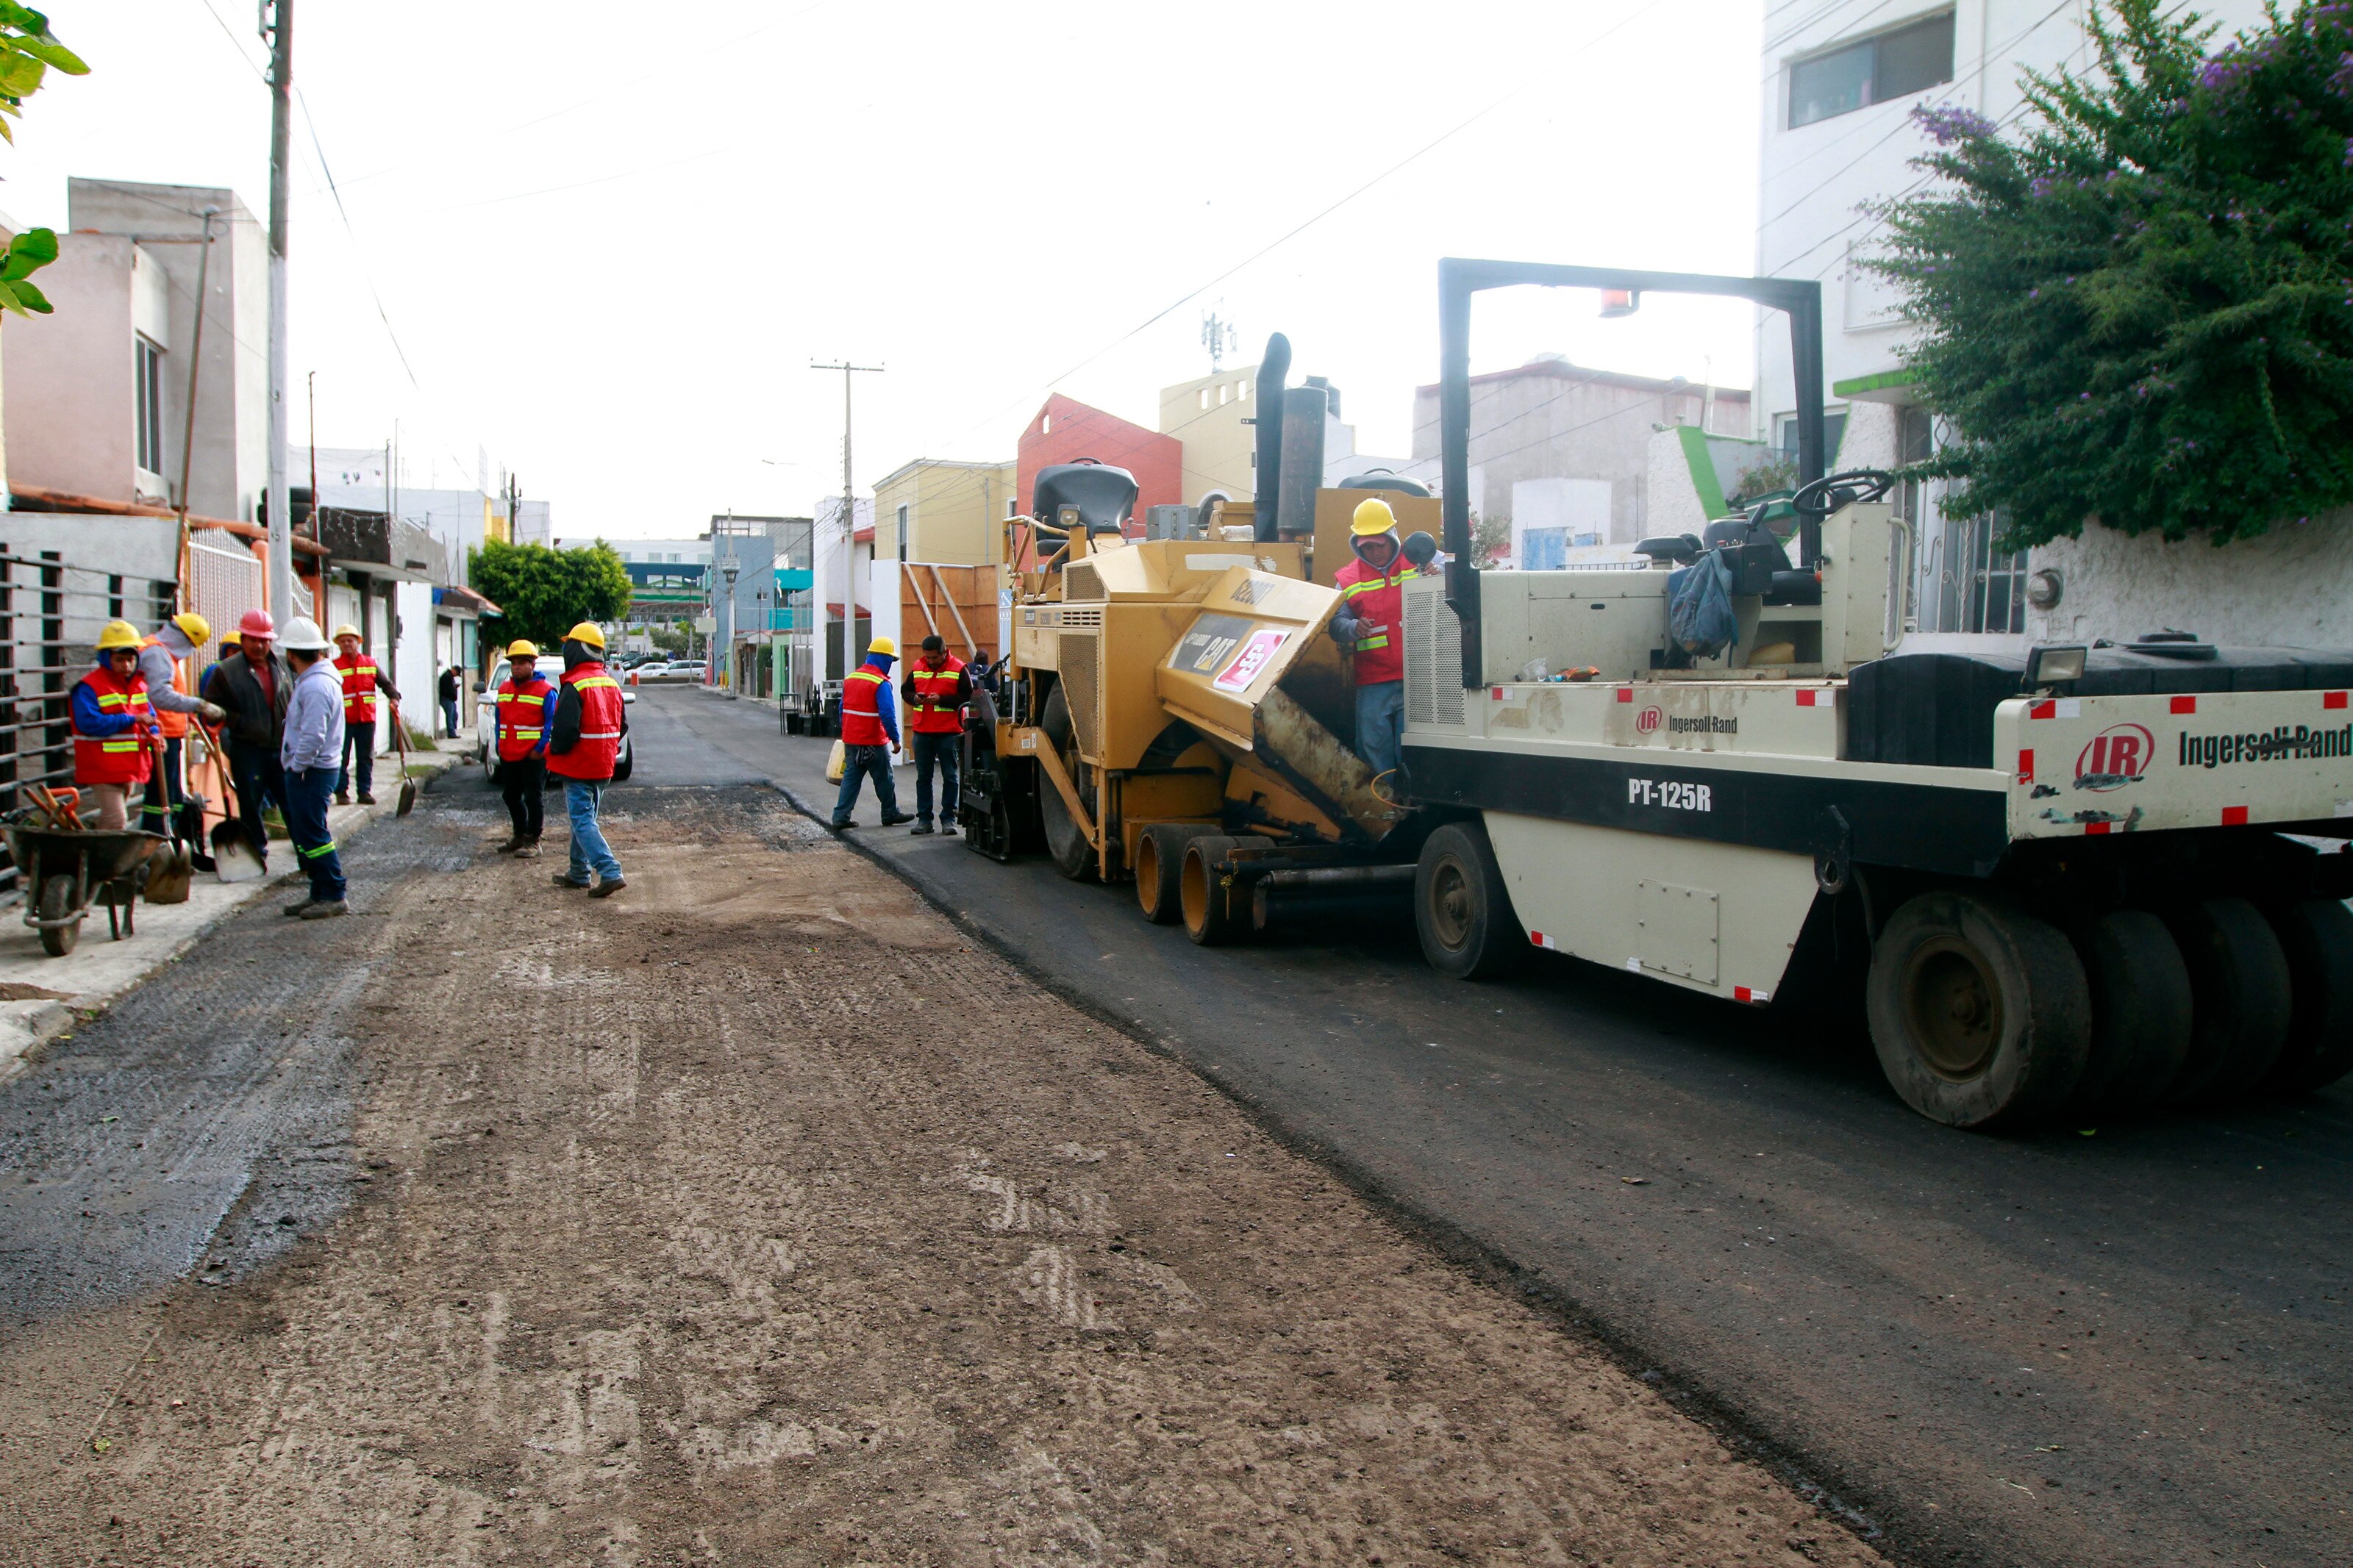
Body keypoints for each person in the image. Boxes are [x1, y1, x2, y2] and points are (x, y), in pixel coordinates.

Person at [1329, 497, 1423, 781]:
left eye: (1379, 544)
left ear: (1392, 536)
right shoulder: (1347, 579)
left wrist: (1439, 573)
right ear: (1357, 544)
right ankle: (1383, 803)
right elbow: (1334, 624)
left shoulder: (1421, 560)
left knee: (1415, 751)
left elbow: (1458, 580)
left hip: (1418, 676)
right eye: (1367, 546)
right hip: (1374, 681)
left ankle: (1414, 802)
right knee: (1373, 751)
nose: (1374, 552)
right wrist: (1353, 627)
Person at [133, 612, 229, 864]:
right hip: (159, 737)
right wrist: (198, 705)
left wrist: (190, 714)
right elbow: (160, 695)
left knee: (173, 797)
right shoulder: (156, 653)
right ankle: (153, 850)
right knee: (160, 798)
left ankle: (171, 846)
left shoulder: (164, 653)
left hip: (169, 735)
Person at [200, 609, 293, 870]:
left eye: (264, 640)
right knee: (250, 804)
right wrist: (235, 720)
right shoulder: (226, 671)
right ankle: (257, 852)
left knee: (290, 801)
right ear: (242, 639)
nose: (259, 645)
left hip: (282, 747)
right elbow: (211, 708)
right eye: (253, 639)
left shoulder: (285, 666)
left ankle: (306, 852)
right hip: (247, 748)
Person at [546, 621, 628, 896]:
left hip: (579, 766)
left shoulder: (574, 685)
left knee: (582, 820)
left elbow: (565, 732)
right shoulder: (610, 683)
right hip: (603, 766)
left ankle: (610, 871)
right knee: (584, 821)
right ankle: (579, 873)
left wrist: (554, 751)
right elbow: (622, 726)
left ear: (575, 650)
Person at [275, 617, 349, 919]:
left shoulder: (316, 686)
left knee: (314, 834)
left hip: (312, 771)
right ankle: (319, 891)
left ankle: (333, 893)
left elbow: (313, 735)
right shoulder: (315, 681)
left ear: (292, 654)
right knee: (307, 833)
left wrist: (297, 766)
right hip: (313, 769)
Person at [71, 620, 160, 829]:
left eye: (130, 660)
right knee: (116, 821)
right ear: (106, 658)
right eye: (120, 660)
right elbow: (89, 723)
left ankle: (96, 849)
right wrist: (131, 719)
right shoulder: (89, 687)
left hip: (128, 767)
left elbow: (150, 716)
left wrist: (155, 734)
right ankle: (106, 852)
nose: (126, 666)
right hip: (102, 767)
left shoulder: (139, 685)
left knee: (111, 822)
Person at [832, 637, 913, 831]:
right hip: (872, 740)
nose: (891, 664)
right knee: (884, 778)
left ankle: (840, 816)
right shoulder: (880, 682)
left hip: (852, 739)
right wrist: (895, 739)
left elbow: (842, 708)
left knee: (851, 777)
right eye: (891, 660)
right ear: (884, 658)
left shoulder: (851, 679)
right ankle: (890, 812)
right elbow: (887, 713)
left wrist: (847, 731)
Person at [900, 634, 971, 836]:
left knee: (950, 776)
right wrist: (915, 698)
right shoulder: (918, 667)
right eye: (927, 657)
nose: (930, 661)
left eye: (934, 658)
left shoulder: (959, 669)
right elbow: (906, 690)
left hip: (948, 732)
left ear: (944, 652)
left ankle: (949, 819)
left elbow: (968, 697)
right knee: (924, 777)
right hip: (922, 732)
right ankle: (925, 820)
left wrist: (942, 700)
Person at [493, 639, 554, 857]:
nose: (516, 667)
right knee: (510, 796)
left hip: (533, 756)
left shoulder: (546, 691)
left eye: (521, 663)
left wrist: (540, 748)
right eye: (514, 663)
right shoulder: (504, 689)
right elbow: (499, 720)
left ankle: (533, 840)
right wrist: (499, 744)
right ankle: (519, 834)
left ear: (532, 665)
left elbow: (551, 724)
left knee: (533, 798)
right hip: (509, 754)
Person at [332, 624, 401, 806]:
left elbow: (386, 684)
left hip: (366, 718)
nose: (347, 644)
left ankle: (364, 792)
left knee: (365, 757)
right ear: (338, 644)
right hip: (343, 720)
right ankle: (341, 793)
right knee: (341, 757)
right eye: (343, 641)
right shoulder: (334, 666)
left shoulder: (370, 664)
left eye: (350, 640)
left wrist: (394, 698)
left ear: (358, 642)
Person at [436, 664, 461, 739]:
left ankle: (453, 731)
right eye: (457, 674)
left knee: (454, 715)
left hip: (450, 699)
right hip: (447, 699)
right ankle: (451, 733)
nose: (456, 676)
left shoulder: (449, 676)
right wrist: (453, 691)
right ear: (454, 670)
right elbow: (447, 690)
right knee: (450, 716)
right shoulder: (447, 677)